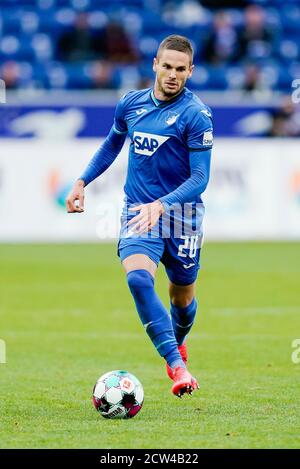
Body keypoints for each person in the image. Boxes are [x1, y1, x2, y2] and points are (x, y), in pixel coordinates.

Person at [66, 35, 213, 398]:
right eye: (167, 66)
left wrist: (163, 204)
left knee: (182, 299)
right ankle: (177, 368)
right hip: (138, 211)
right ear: (155, 64)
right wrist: (83, 179)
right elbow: (112, 144)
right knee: (137, 280)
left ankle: (177, 344)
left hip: (183, 217)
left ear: (190, 71)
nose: (173, 75)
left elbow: (200, 178)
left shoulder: (196, 115)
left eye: (181, 69)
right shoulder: (130, 104)